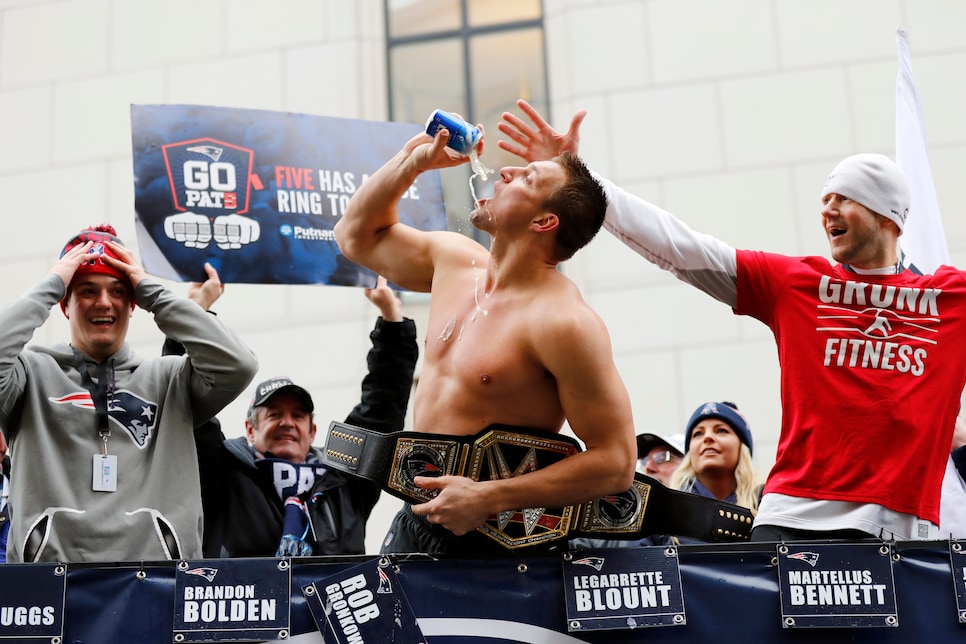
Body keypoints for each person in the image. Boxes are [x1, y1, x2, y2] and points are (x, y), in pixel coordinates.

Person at [498, 99, 966, 542]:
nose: (827, 209)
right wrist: (581, 182)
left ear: (889, 217)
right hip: (792, 518)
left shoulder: (951, 298)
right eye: (825, 198)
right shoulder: (795, 282)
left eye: (845, 198)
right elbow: (680, 247)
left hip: (900, 527)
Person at [333, 120, 637, 554]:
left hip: (498, 538)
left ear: (544, 220)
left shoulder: (565, 322)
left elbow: (616, 463)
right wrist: (412, 164)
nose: (506, 172)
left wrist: (489, 498)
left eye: (528, 177)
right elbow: (353, 236)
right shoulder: (455, 262)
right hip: (417, 521)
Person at [0, 224, 258, 563]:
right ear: (66, 305)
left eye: (119, 291)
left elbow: (238, 365)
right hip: (53, 588)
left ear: (133, 303)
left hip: (156, 586)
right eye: (87, 291)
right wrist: (52, 284)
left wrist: (152, 292)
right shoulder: (29, 374)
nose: (104, 303)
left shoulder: (171, 380)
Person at [189, 276, 419, 557]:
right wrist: (194, 314)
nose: (287, 422)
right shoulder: (223, 471)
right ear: (250, 430)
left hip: (334, 602)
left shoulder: (344, 479)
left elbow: (382, 409)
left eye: (298, 416)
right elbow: (190, 404)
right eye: (274, 414)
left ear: (312, 432)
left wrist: (392, 321)